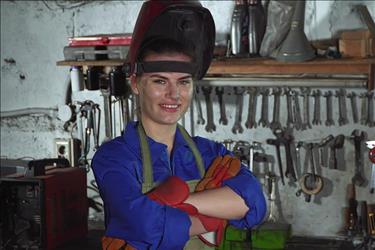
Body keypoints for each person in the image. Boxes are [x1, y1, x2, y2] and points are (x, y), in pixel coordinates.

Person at [92, 1, 266, 249]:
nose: (174, 94)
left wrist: (175, 204)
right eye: (160, 82)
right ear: (135, 84)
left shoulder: (210, 154)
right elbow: (147, 226)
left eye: (183, 82)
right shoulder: (114, 158)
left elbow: (254, 204)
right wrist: (213, 216)